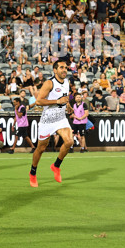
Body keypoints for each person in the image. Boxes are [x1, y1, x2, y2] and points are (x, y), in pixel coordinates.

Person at [29, 60, 74, 188]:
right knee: (41, 148)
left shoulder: (66, 82)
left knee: (69, 141)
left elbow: (64, 97)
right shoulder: (49, 83)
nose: (64, 69)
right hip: (47, 120)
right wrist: (57, 101)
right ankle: (33, 172)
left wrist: (68, 105)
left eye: (65, 67)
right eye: (61, 67)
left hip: (61, 118)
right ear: (55, 70)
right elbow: (38, 101)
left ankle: (56, 166)